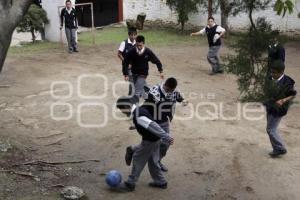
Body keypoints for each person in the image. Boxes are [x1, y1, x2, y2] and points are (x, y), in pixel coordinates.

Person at [125, 78, 187, 172]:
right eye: (168, 90)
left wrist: (183, 100)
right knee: (149, 144)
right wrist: (138, 121)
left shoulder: (174, 92)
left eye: (171, 90)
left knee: (165, 143)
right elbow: (145, 106)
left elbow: (178, 97)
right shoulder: (154, 92)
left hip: (164, 121)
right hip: (153, 122)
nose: (169, 92)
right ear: (165, 85)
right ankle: (132, 150)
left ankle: (158, 161)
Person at [123, 105, 174, 191]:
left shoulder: (138, 115)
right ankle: (161, 182)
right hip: (156, 139)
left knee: (137, 158)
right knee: (153, 161)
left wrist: (166, 137)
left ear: (126, 107)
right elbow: (148, 121)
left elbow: (152, 125)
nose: (123, 113)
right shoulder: (140, 109)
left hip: (149, 141)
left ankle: (130, 183)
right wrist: (136, 126)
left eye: (122, 110)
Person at [263, 60, 297, 158]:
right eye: (271, 72)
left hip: (279, 109)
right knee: (270, 128)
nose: (272, 74)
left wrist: (283, 100)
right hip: (270, 106)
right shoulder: (270, 78)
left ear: (281, 72)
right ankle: (277, 149)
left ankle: (280, 147)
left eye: (274, 73)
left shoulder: (287, 82)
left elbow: (293, 94)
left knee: (270, 129)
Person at [123, 35, 164, 104]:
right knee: (141, 89)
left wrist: (160, 71)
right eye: (137, 45)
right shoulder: (132, 51)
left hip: (143, 74)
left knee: (137, 92)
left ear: (143, 44)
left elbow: (157, 61)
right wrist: (126, 74)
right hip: (134, 73)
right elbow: (125, 63)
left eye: (140, 45)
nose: (139, 47)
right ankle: (155, 100)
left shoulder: (148, 52)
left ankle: (134, 110)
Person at [118, 28, 137, 96]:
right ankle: (132, 96)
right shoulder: (124, 43)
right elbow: (119, 54)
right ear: (129, 35)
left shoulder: (137, 43)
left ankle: (131, 94)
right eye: (131, 35)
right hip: (128, 66)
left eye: (134, 35)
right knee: (132, 80)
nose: (133, 37)